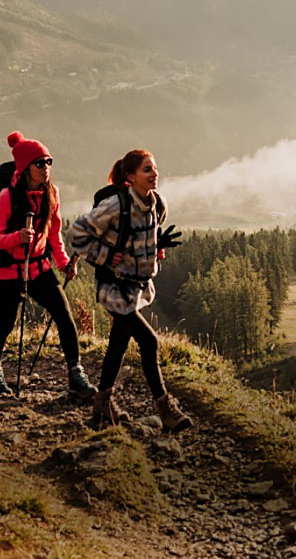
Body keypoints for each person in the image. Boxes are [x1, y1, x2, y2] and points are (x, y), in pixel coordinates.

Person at [69, 149, 192, 432]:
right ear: (130, 176)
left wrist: (155, 247)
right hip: (114, 288)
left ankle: (101, 407)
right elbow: (77, 233)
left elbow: (141, 236)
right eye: (147, 170)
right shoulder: (115, 205)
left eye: (155, 168)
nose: (154, 174)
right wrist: (102, 254)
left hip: (135, 287)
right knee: (149, 343)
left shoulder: (156, 205)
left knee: (118, 344)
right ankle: (166, 410)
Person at [0, 131, 96, 400]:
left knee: (65, 317)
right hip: (8, 270)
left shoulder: (51, 193)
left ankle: (75, 374)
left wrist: (63, 262)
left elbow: (53, 233)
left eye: (48, 161)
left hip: (39, 268)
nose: (45, 167)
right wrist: (17, 238)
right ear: (25, 168)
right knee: (4, 324)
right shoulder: (7, 197)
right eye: (39, 163)